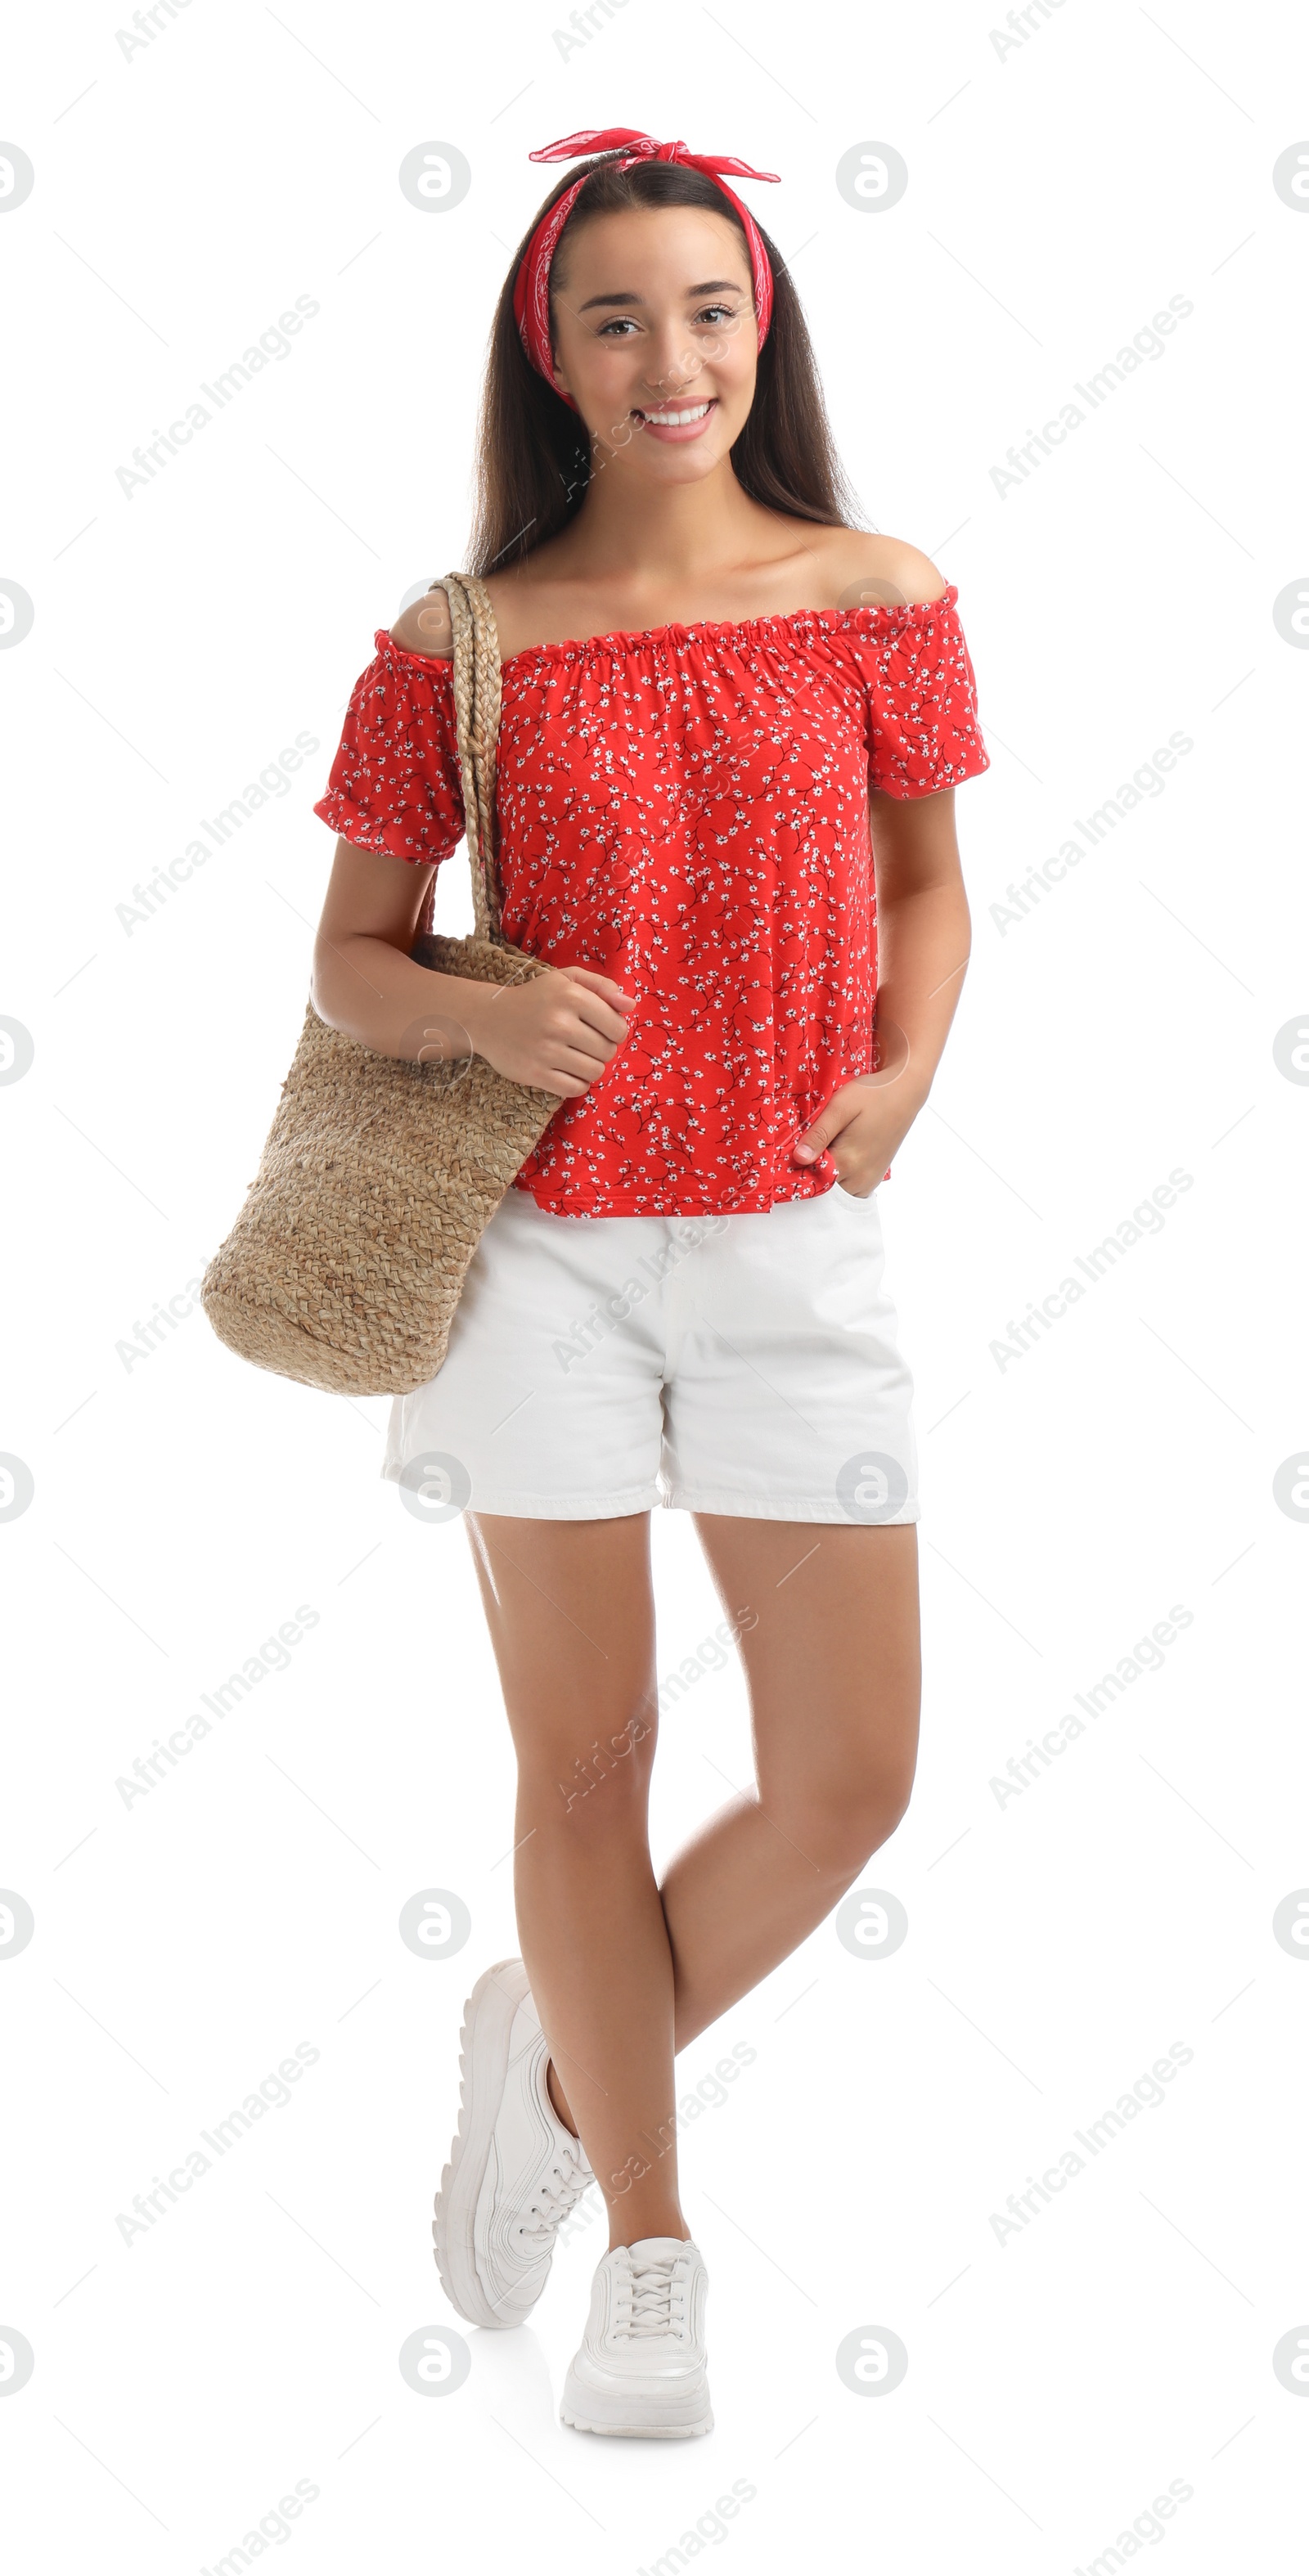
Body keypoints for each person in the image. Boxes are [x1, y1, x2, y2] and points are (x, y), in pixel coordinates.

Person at [309, 126, 989, 2439]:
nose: (669, 353)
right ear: (554, 355)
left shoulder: (872, 587)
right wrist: (492, 1015)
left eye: (708, 307)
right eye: (617, 317)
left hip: (799, 1242)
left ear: (762, 324)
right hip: (540, 1257)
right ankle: (654, 2246)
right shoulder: (461, 640)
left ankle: (559, 2055)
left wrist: (901, 1080)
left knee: (853, 1777)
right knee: (588, 1760)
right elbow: (353, 966)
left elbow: (929, 891)